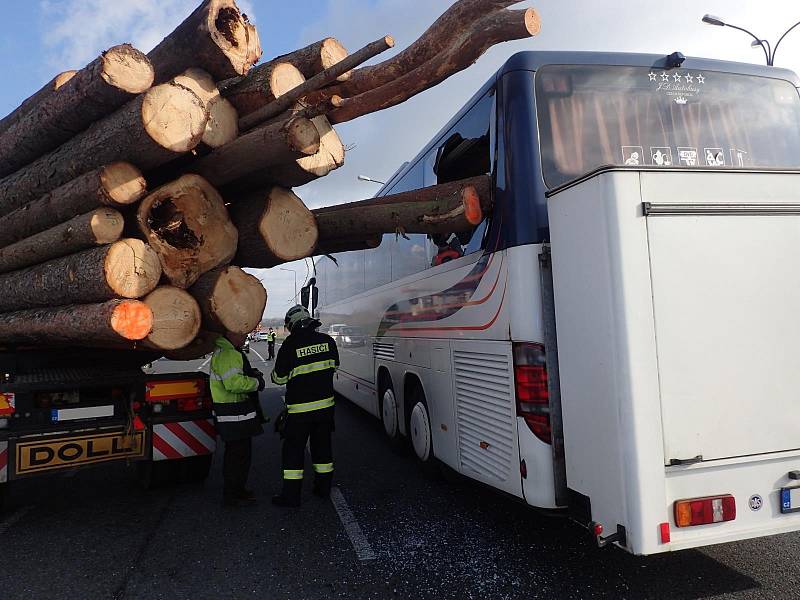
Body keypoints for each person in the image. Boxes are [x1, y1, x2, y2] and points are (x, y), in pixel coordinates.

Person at [270, 305, 339, 507]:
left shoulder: (290, 346)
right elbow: (333, 366)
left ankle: (291, 498)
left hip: (299, 413)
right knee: (323, 451)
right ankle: (323, 489)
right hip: (325, 411)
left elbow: (279, 378)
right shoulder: (327, 341)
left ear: (292, 324)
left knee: (293, 453)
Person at [209, 331, 265, 507]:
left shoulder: (224, 351)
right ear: (230, 335)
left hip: (231, 412)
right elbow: (234, 384)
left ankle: (237, 490)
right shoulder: (229, 353)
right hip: (233, 412)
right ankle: (233, 495)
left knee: (237, 454)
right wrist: (257, 383)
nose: (244, 338)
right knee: (237, 456)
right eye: (241, 334)